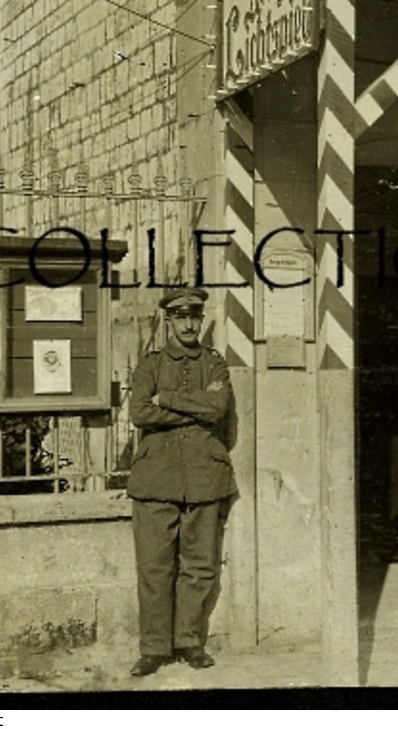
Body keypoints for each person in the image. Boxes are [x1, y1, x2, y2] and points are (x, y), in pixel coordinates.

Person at [126, 287, 236, 677]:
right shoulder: (150, 364)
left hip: (205, 478)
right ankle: (154, 648)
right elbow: (139, 412)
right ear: (168, 321)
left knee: (201, 565)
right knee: (155, 567)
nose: (189, 324)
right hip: (156, 479)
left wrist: (166, 399)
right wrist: (194, 408)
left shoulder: (215, 363)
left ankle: (189, 641)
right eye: (181, 317)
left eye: (195, 317)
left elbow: (219, 408)